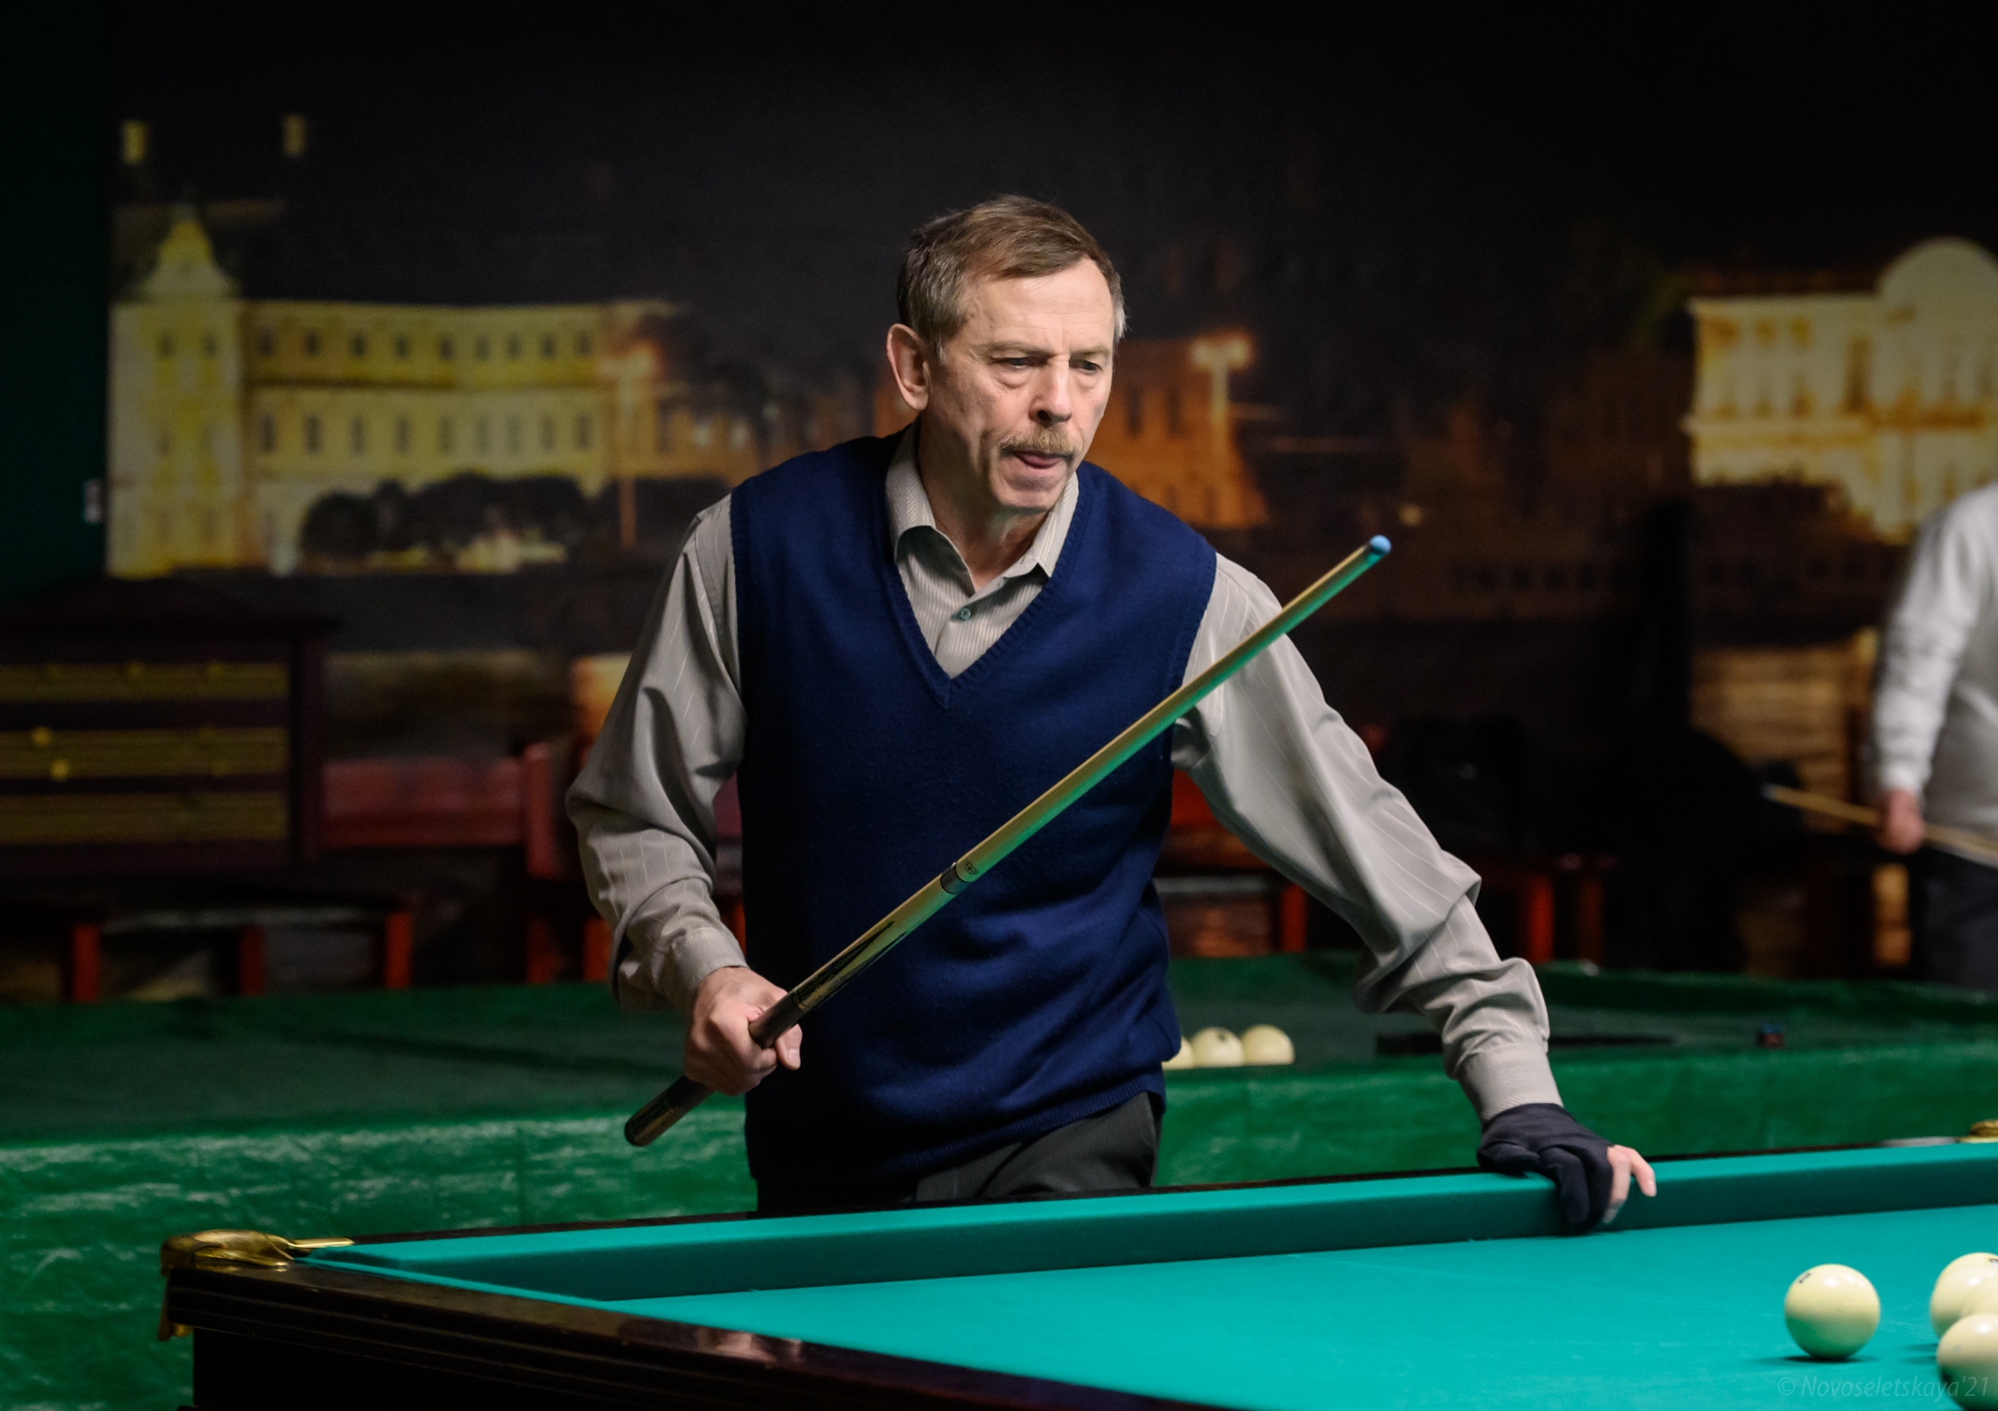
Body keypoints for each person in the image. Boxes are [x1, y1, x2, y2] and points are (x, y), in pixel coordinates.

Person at [569, 196, 1654, 1226]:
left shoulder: (1186, 597)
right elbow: (633, 812)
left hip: (1071, 1128)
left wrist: (1519, 1090)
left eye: (1088, 365)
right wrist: (705, 966)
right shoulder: (754, 549)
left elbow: (1372, 848)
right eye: (1016, 362)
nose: (1060, 403)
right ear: (913, 367)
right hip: (822, 1138)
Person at [1872, 482, 1998, 989]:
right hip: (1974, 855)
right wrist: (1898, 779)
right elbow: (1916, 662)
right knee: (1963, 1030)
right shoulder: (1971, 527)